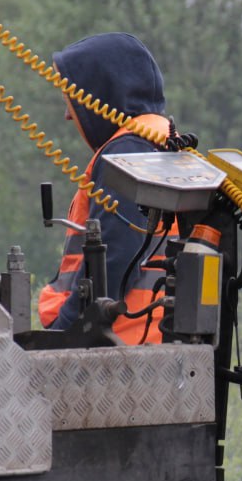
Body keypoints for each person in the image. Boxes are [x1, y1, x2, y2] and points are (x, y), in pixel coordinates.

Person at [37, 32, 174, 344]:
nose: (68, 114)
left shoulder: (126, 153)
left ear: (99, 95)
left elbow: (114, 256)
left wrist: (66, 332)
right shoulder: (164, 142)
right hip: (150, 341)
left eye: (73, 101)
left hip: (117, 343)